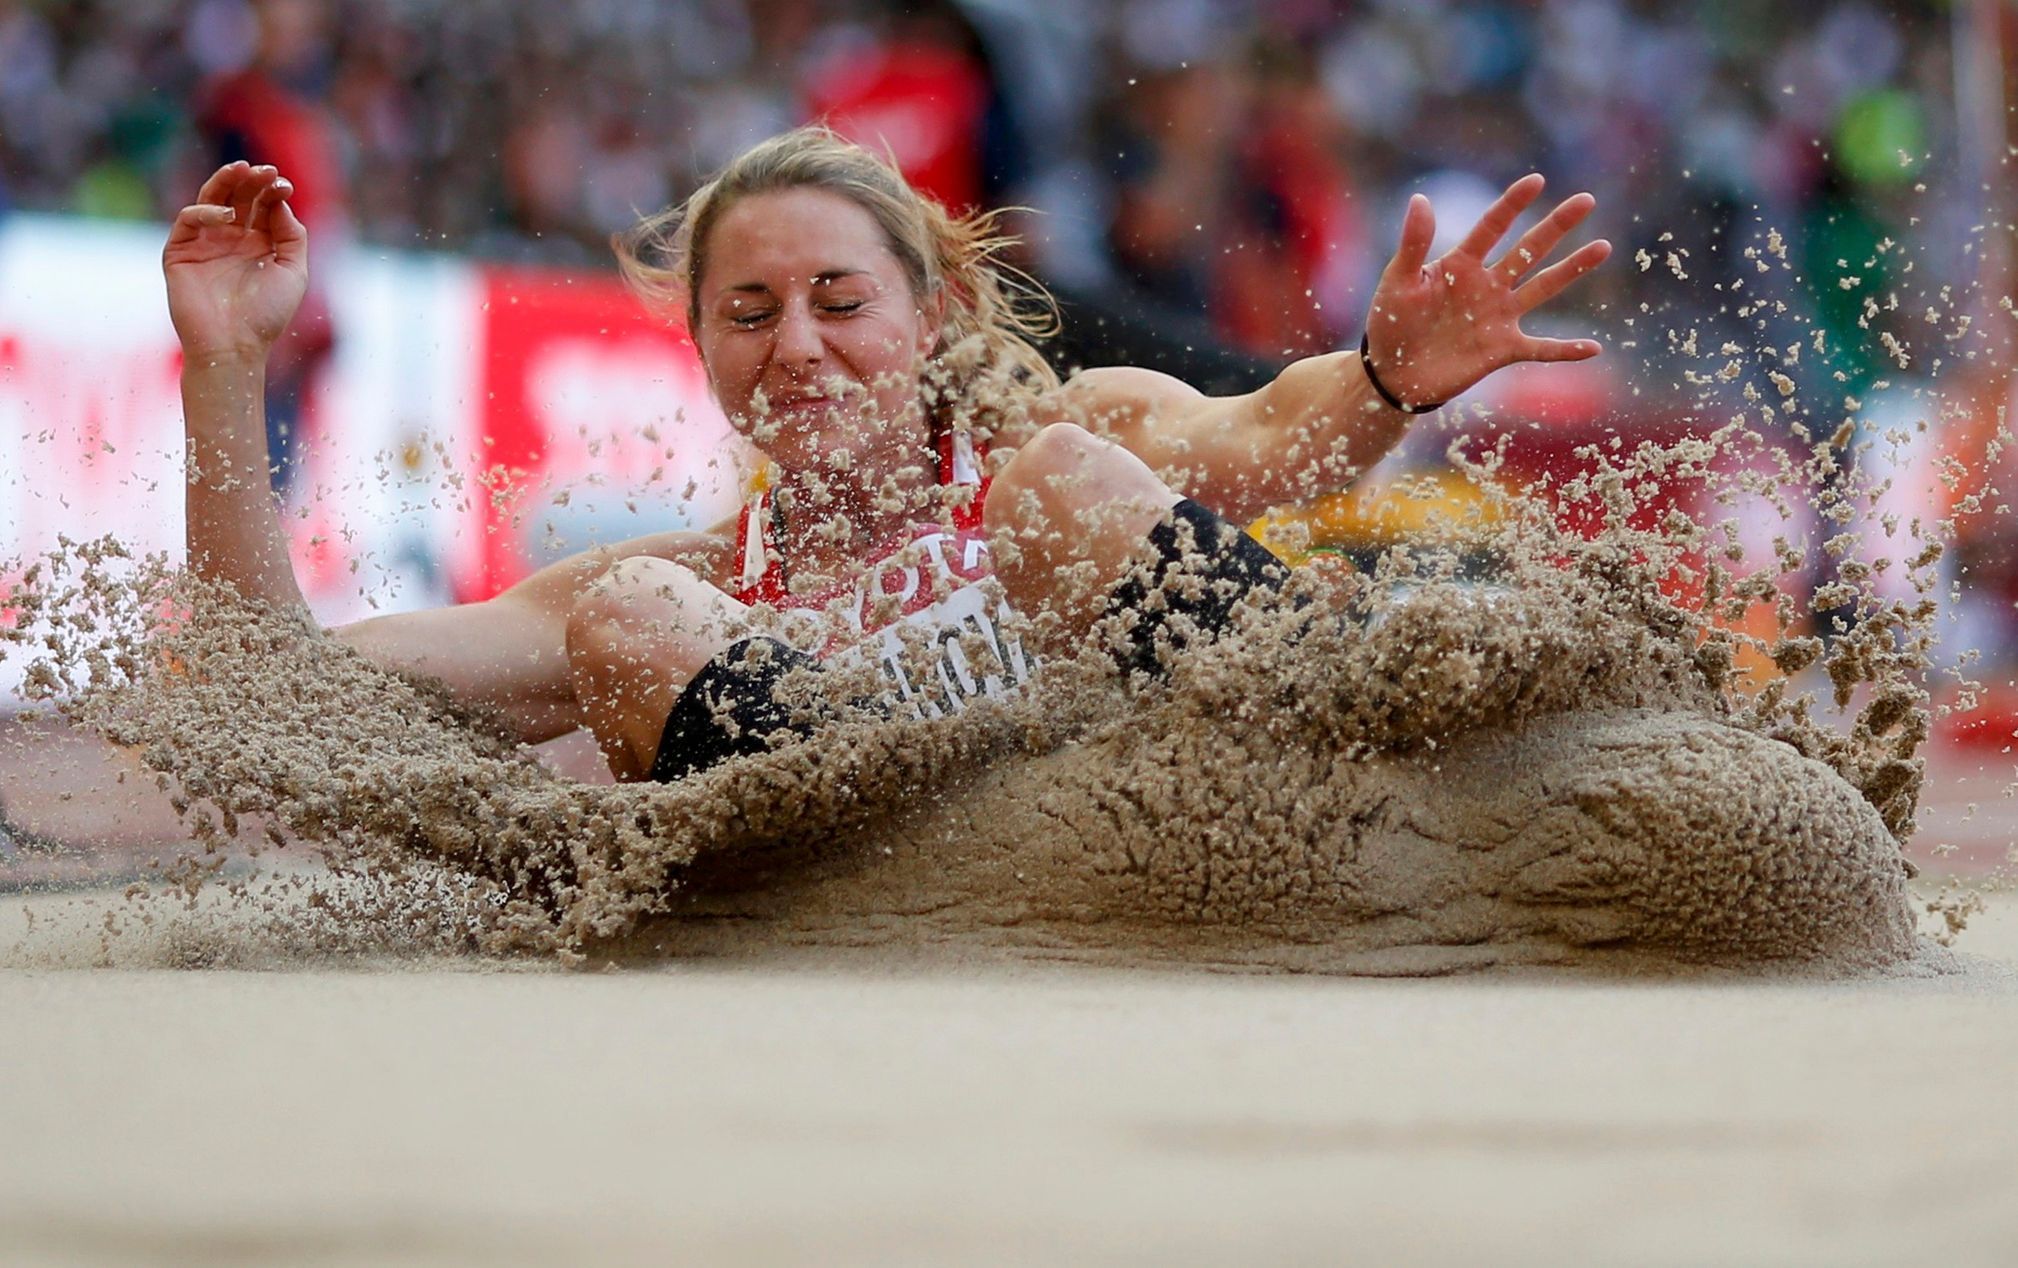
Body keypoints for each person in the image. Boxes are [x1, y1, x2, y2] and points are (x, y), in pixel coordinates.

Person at [162, 129, 1608, 785]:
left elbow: (1269, 442)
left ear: (935, 316)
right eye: (749, 313)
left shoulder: (1073, 435)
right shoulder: (694, 585)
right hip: (919, 919)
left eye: (840, 303)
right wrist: (225, 367)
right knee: (631, 622)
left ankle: (1394, 784)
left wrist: (1377, 381)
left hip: (1224, 825)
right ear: (709, 355)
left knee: (1055, 486)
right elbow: (279, 692)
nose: (796, 345)